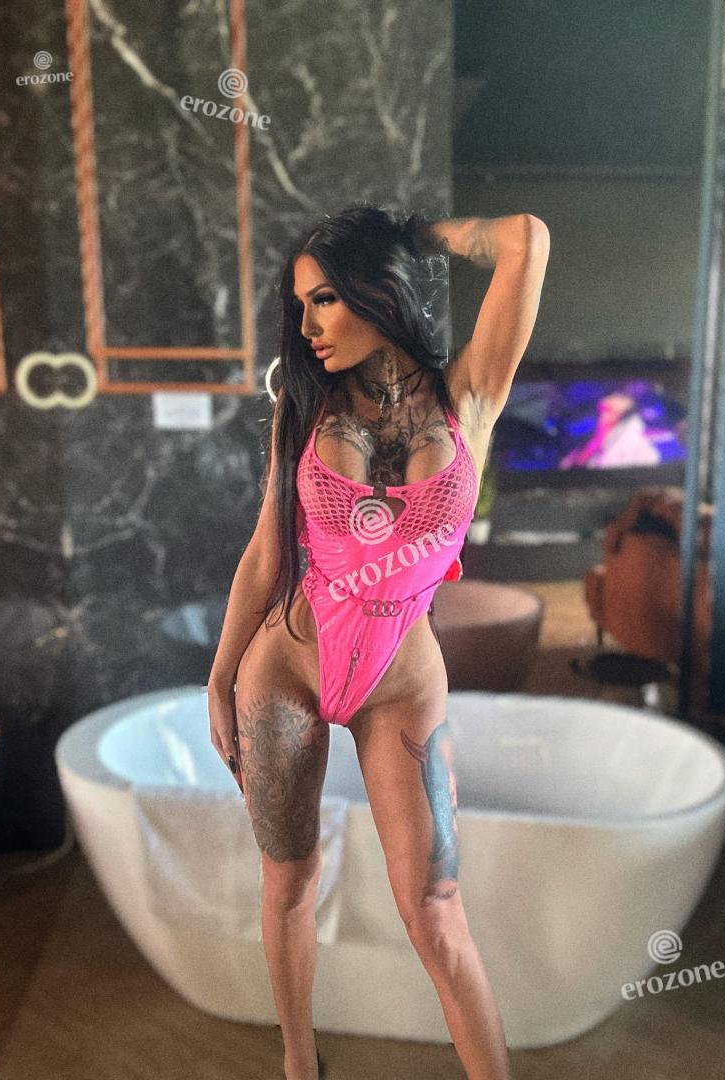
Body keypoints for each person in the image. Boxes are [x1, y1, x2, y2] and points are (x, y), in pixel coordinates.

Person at [207, 203, 550, 1080]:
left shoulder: (469, 396)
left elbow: (526, 240)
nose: (309, 326)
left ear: (377, 289)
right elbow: (266, 552)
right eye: (301, 307)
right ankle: (300, 1065)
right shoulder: (304, 407)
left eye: (325, 299)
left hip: (401, 685)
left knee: (436, 910)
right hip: (285, 667)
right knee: (289, 883)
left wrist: (412, 234)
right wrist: (220, 676)